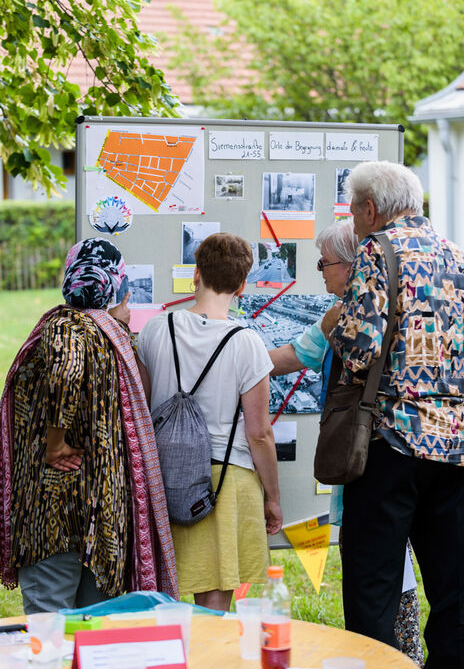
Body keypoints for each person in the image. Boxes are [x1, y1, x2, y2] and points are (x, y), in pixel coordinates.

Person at [323, 161, 464, 669]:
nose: (354, 221)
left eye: (354, 212)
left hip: (391, 441)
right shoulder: (457, 255)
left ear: (369, 208)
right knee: (453, 587)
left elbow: (359, 350)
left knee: (373, 586)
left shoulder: (376, 250)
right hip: (454, 444)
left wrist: (333, 325)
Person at [270, 218, 423, 667]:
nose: (320, 270)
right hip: (407, 453)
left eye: (326, 262)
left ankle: (388, 651)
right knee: (397, 558)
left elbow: (296, 355)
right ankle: (402, 650)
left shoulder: (346, 313)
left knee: (378, 565)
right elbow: (298, 352)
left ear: (354, 264)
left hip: (373, 452)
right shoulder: (373, 302)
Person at [0, 238, 178, 612]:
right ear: (116, 285)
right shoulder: (112, 337)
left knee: (49, 622)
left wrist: (54, 443)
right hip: (106, 508)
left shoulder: (66, 325)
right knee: (95, 626)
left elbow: (65, 372)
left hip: (54, 505)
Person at [138, 232, 282, 611]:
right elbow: (259, 434)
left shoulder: (156, 329)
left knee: (161, 584)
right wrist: (274, 497)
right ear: (242, 285)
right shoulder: (246, 341)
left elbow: (143, 406)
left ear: (196, 274)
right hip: (223, 479)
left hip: (163, 475)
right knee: (214, 596)